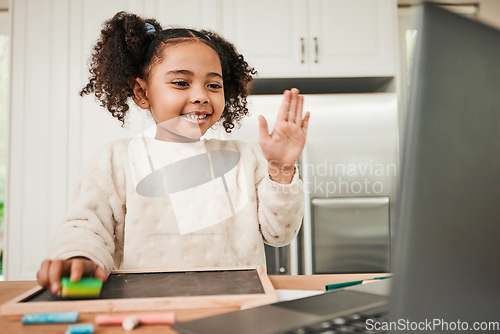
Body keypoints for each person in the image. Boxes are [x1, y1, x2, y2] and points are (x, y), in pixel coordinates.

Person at [37, 11, 309, 295]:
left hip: (237, 304)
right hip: (144, 307)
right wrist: (79, 257)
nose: (201, 95)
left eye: (214, 85)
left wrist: (280, 168)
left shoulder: (245, 158)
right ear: (142, 93)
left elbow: (279, 234)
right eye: (181, 82)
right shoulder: (117, 159)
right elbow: (86, 226)